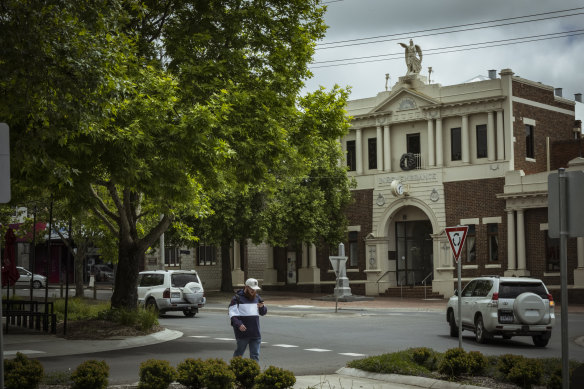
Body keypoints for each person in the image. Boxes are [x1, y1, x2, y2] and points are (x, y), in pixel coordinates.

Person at [229, 278, 267, 361]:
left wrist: (262, 307)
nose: (254, 291)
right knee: (239, 353)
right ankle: (235, 369)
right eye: (252, 289)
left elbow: (263, 312)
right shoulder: (236, 298)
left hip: (255, 332)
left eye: (255, 289)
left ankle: (254, 373)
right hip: (242, 332)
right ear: (246, 287)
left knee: (255, 355)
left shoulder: (257, 297)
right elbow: (233, 315)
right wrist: (239, 324)